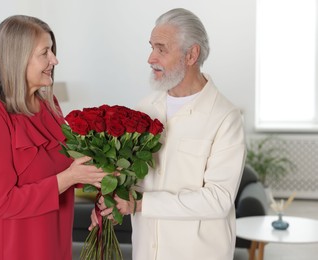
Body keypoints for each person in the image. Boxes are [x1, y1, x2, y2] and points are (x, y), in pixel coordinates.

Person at [91, 8, 246, 260]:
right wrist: (110, 197)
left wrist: (141, 204)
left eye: (161, 49)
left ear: (191, 54)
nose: (151, 58)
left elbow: (218, 200)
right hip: (146, 251)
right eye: (151, 47)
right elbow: (133, 177)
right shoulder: (144, 110)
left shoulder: (225, 117)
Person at [0, 15, 106, 260]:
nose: (55, 60)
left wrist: (102, 191)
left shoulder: (49, 104)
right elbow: (4, 202)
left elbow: (69, 167)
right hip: (17, 249)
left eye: (52, 51)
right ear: (18, 58)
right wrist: (68, 178)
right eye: (45, 52)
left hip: (55, 245)